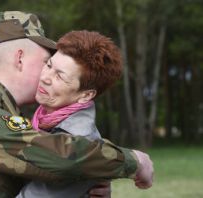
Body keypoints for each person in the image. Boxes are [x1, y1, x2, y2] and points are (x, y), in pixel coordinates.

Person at [0, 11, 153, 198]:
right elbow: (61, 156)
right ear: (20, 58)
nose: (46, 74)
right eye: (47, 61)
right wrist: (134, 161)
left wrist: (84, 182)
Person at [15, 29, 132, 198]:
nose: (45, 78)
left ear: (86, 95)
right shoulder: (44, 121)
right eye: (48, 65)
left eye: (60, 77)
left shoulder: (79, 148)